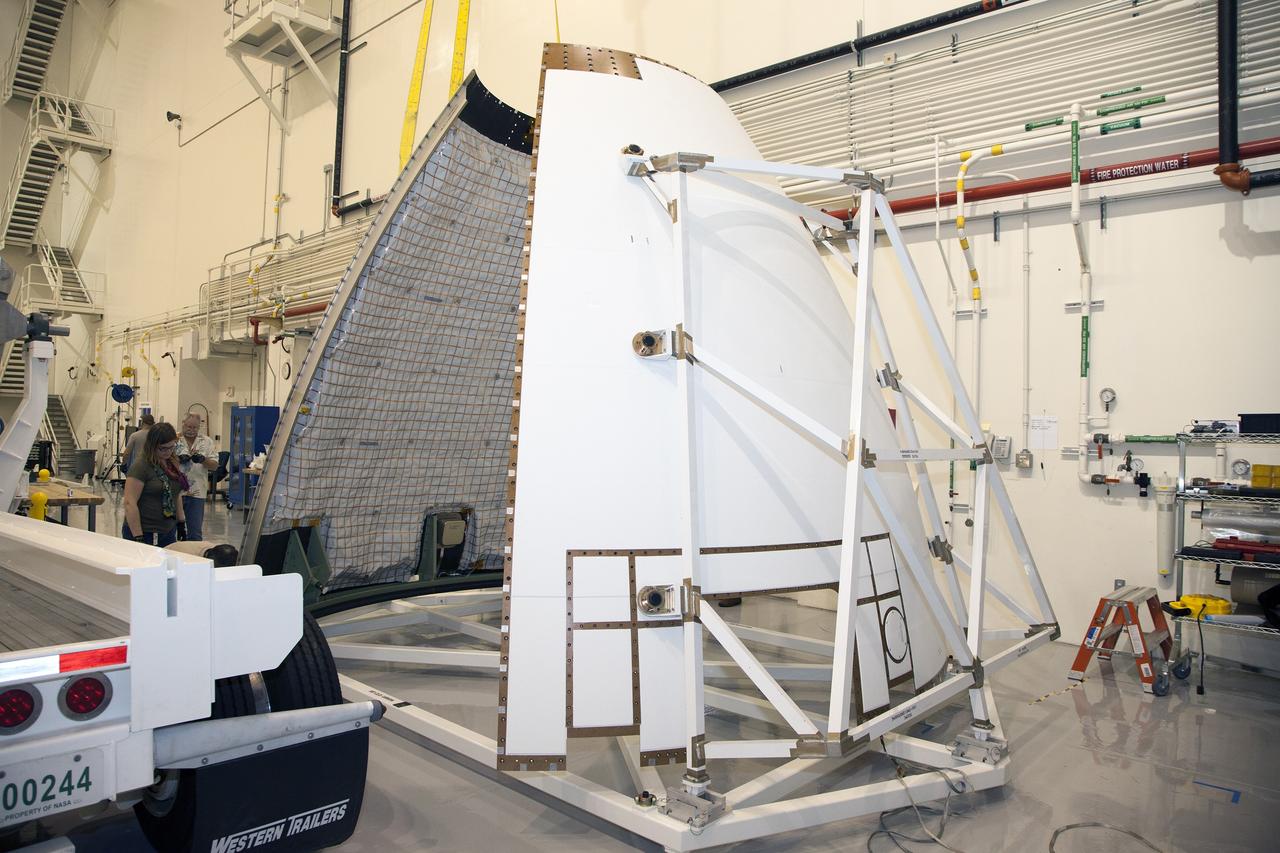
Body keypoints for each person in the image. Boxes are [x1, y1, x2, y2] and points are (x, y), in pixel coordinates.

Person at [122, 422, 189, 546]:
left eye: (171, 447)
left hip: (167, 530)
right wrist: (138, 537)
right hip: (145, 531)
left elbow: (176, 494)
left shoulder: (172, 463)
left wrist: (181, 523)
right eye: (162, 448)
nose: (168, 452)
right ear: (152, 446)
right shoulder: (141, 466)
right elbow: (129, 503)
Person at [176, 413, 217, 541]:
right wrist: (178, 460)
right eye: (188, 426)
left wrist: (203, 460)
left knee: (195, 533)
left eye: (195, 428)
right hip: (175, 491)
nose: (191, 430)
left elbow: (215, 465)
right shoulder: (174, 439)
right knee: (171, 530)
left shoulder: (207, 442)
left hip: (197, 492)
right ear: (183, 423)